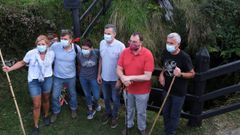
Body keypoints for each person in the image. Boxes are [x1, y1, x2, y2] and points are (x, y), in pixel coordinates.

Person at [2, 35, 54, 135]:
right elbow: (22, 63)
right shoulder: (31, 53)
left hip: (47, 79)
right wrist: (10, 68)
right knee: (36, 104)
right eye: (38, 44)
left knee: (46, 99)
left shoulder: (51, 53)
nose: (40, 46)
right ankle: (36, 125)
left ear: (47, 45)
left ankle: (46, 115)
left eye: (43, 44)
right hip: (34, 81)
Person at [117, 32, 155, 135]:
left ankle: (141, 128)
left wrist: (128, 77)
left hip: (142, 91)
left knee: (141, 112)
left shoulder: (147, 54)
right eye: (130, 41)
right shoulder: (125, 52)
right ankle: (129, 125)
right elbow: (119, 68)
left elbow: (147, 76)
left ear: (141, 42)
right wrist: (122, 77)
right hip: (128, 89)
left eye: (135, 42)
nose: (131, 44)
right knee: (129, 109)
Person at [159, 33, 195, 135]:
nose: (168, 45)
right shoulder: (166, 52)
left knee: (174, 114)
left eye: (171, 43)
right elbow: (165, 66)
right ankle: (167, 130)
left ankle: (170, 133)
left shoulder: (184, 57)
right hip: (166, 89)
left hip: (178, 92)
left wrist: (181, 74)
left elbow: (192, 74)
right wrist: (161, 74)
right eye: (167, 42)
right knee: (165, 112)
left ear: (178, 44)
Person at [97, 24, 125, 128]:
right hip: (104, 78)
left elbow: (123, 65)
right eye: (105, 33)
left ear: (114, 34)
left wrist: (120, 79)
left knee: (115, 99)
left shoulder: (121, 46)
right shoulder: (102, 43)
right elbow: (101, 59)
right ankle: (108, 113)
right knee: (106, 98)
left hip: (115, 79)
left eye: (108, 33)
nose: (106, 35)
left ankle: (115, 116)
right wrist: (99, 74)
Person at [50, 29, 81, 123]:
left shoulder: (76, 48)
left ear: (71, 39)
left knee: (72, 94)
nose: (63, 40)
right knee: (55, 95)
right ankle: (56, 111)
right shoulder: (55, 46)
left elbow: (80, 60)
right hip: (57, 76)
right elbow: (47, 55)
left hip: (71, 76)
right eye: (61, 38)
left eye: (65, 39)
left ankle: (73, 108)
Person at [78, 39, 101, 120]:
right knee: (87, 94)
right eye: (82, 48)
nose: (83, 50)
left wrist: (99, 74)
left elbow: (102, 59)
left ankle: (96, 104)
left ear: (91, 48)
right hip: (83, 77)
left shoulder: (96, 53)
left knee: (96, 96)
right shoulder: (79, 55)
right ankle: (90, 109)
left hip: (93, 78)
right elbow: (79, 65)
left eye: (86, 49)